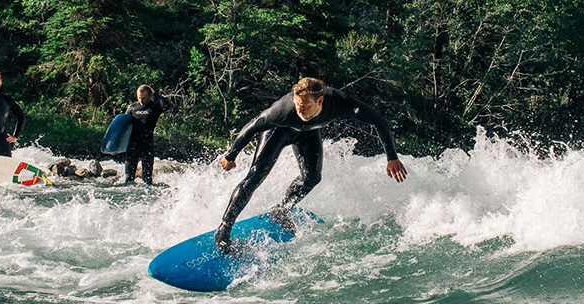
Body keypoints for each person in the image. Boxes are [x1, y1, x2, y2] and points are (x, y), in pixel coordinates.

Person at [214, 77, 407, 252]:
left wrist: (391, 157)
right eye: (298, 105)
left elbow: (378, 121)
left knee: (312, 178)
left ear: (320, 101)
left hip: (309, 134)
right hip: (278, 132)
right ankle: (224, 228)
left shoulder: (340, 102)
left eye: (305, 106)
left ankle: (281, 211)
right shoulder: (282, 111)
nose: (300, 110)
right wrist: (231, 155)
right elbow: (252, 126)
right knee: (256, 176)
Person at [124, 85, 171, 184]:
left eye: (144, 98)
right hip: (132, 146)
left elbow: (166, 106)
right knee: (128, 180)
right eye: (139, 98)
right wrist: (116, 146)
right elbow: (123, 127)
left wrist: (155, 93)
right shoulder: (132, 107)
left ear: (150, 96)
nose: (141, 101)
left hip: (147, 145)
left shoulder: (155, 107)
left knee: (147, 180)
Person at [0, 69, 26, 157]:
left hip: (2, 145)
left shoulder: (6, 100)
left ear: (1, 81)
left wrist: (16, 136)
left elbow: (21, 116)